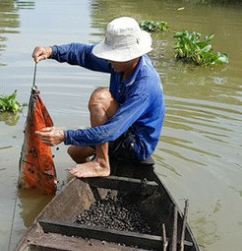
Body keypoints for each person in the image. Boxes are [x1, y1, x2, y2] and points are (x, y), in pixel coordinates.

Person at [33, 16, 165, 178]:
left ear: (130, 56)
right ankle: (100, 164)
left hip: (136, 145)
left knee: (100, 97)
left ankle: (102, 164)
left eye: (114, 56)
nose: (108, 60)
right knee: (75, 153)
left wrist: (64, 135)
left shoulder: (145, 86)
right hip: (121, 131)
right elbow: (85, 54)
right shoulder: (121, 65)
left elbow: (111, 131)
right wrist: (52, 51)